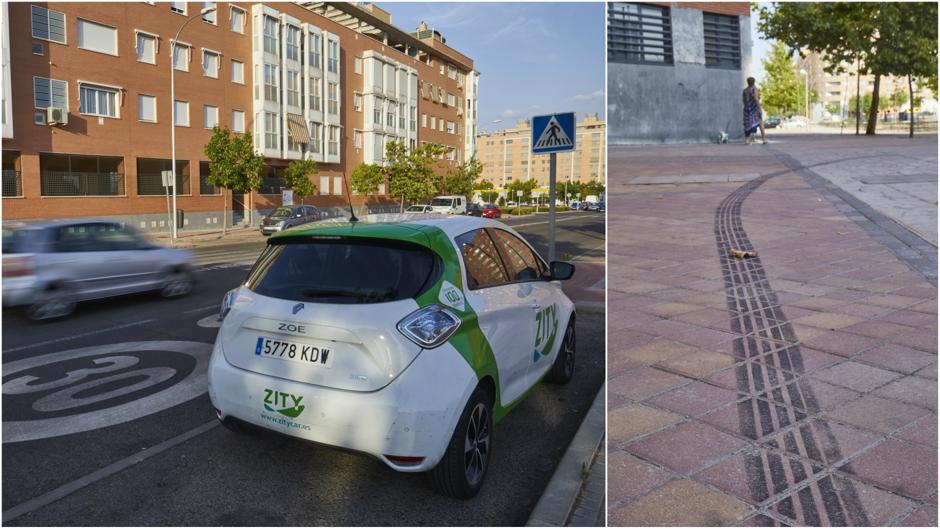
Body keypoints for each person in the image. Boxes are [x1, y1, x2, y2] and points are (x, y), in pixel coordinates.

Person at [743, 77, 767, 145]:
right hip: (755, 109)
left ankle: (747, 140)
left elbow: (743, 100)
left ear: (747, 82)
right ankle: (764, 139)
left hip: (747, 109)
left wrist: (747, 106)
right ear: (754, 82)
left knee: (747, 124)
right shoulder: (755, 89)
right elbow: (756, 99)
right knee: (760, 123)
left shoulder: (745, 90)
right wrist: (759, 108)